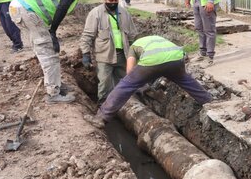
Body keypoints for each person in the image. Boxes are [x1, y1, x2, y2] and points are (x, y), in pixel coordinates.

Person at [9, 0, 102, 104]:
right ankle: (53, 93)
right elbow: (63, 6)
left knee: (44, 49)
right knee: (48, 51)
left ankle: (55, 84)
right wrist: (52, 31)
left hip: (20, 9)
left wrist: (52, 30)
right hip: (26, 10)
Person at [84, 35, 212, 128]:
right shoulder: (156, 39)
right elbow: (165, 66)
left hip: (153, 61)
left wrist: (139, 83)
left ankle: (101, 118)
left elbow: (129, 71)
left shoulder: (133, 47)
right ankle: (208, 100)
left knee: (125, 85)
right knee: (185, 80)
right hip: (177, 57)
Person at [80, 0, 138, 104]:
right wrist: (85, 53)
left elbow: (132, 34)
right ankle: (104, 107)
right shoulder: (96, 13)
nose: (113, 2)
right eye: (111, 0)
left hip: (123, 55)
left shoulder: (124, 13)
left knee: (125, 82)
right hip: (104, 56)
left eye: (116, 0)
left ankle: (126, 105)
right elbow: (87, 35)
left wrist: (135, 52)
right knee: (105, 83)